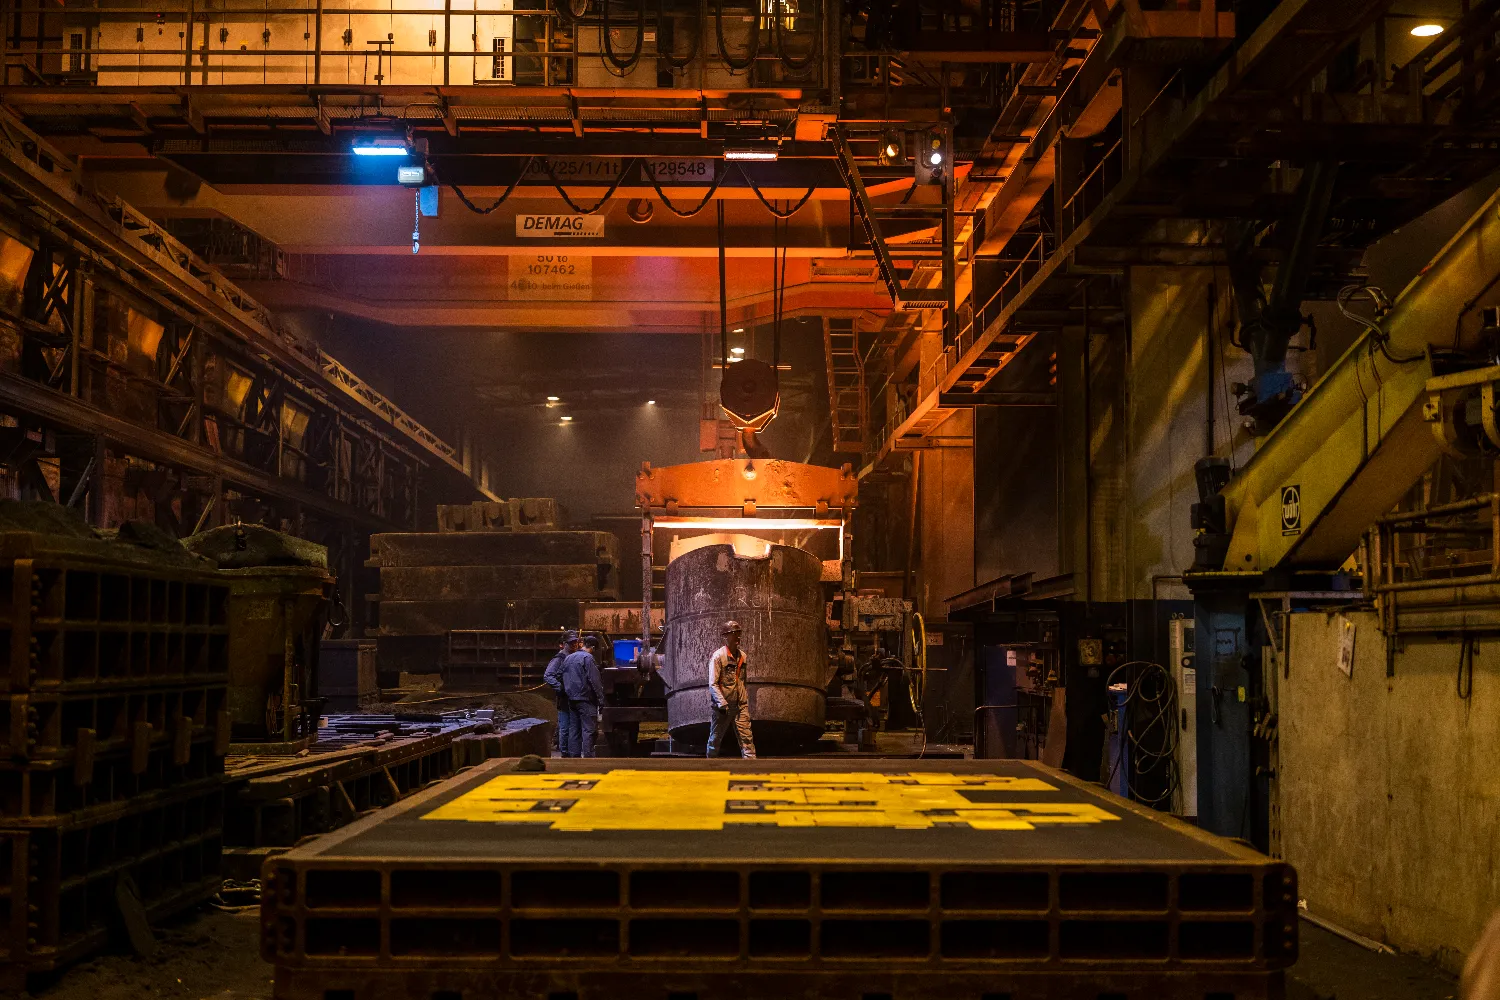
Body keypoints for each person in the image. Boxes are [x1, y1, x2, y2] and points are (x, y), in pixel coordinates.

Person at [707, 620, 756, 759]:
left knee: (747, 740)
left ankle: (752, 770)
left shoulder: (743, 656)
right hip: (723, 707)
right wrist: (722, 703)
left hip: (740, 706)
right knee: (715, 740)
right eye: (734, 633)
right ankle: (710, 769)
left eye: (739, 633)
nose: (738, 637)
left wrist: (743, 699)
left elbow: (742, 681)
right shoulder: (718, 657)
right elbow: (713, 683)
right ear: (726, 636)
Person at [560, 633, 607, 758]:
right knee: (588, 730)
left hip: (571, 699)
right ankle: (588, 758)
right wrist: (601, 700)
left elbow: (561, 676)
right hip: (586, 699)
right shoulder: (588, 658)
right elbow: (594, 681)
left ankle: (574, 758)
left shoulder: (568, 658)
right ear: (592, 647)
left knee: (574, 730)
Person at [544, 631, 583, 757]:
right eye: (571, 643)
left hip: (576, 698)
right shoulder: (559, 658)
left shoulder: (578, 656)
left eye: (575, 642)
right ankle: (565, 754)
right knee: (565, 728)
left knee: (574, 728)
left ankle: (572, 753)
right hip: (565, 700)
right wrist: (561, 688)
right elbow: (548, 675)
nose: (574, 645)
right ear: (565, 644)